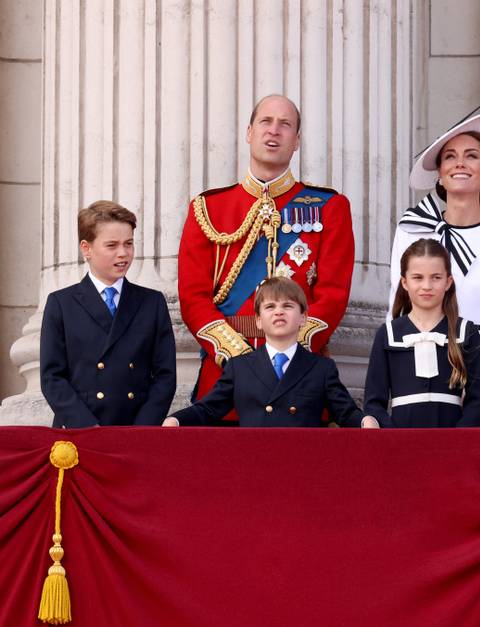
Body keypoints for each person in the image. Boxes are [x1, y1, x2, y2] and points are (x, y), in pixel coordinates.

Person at [178, 94, 354, 419]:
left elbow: (333, 295)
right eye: (266, 122)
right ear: (249, 133)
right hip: (226, 384)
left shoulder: (330, 207)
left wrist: (287, 355)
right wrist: (243, 363)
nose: (274, 131)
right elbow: (193, 298)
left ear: (297, 140)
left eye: (285, 124)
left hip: (301, 382)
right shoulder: (208, 208)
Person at [390, 107, 480, 426]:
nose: (460, 163)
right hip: (420, 369)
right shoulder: (412, 230)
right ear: (439, 172)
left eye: (471, 156)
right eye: (450, 157)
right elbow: (395, 312)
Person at [163, 277, 377, 428]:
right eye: (270, 307)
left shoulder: (321, 368)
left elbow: (345, 412)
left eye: (288, 306)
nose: (279, 312)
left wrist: (365, 421)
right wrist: (176, 420)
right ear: (258, 320)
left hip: (304, 466)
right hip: (254, 464)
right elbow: (208, 409)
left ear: (303, 317)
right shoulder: (240, 367)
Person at [40, 200, 176, 427]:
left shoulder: (152, 302)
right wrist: (87, 427)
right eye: (112, 245)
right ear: (87, 249)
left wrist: (143, 428)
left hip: (136, 431)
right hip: (80, 431)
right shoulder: (61, 304)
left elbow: (165, 375)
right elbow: (52, 377)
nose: (123, 253)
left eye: (129, 244)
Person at [365, 239, 480, 428]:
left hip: (453, 447)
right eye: (418, 277)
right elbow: (373, 403)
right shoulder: (387, 334)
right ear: (404, 282)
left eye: (436, 277)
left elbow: (476, 401)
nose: (427, 285)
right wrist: (395, 438)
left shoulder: (465, 332)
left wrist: (459, 441)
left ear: (448, 282)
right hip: (401, 446)